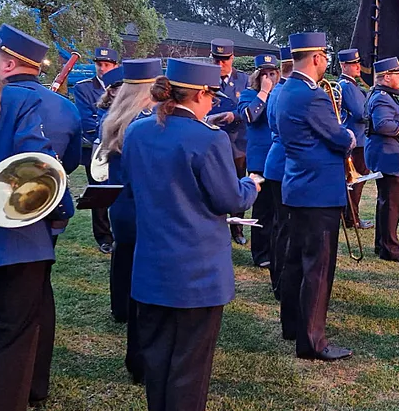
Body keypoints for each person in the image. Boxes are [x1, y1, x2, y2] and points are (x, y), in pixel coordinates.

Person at [122, 58, 259, 410]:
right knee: (189, 366)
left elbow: (134, 188)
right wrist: (251, 185)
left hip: (152, 266)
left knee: (157, 359)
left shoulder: (137, 131)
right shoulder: (207, 138)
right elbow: (229, 199)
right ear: (199, 94)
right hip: (197, 273)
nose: (215, 102)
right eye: (212, 95)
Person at [0, 26, 74, 411]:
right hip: (16, 244)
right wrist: (61, 213)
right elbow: (40, 166)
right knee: (13, 340)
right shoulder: (19, 103)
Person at [277, 32, 356, 361]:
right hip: (319, 192)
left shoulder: (286, 89)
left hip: (298, 186)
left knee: (296, 261)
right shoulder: (313, 96)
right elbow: (339, 138)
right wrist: (349, 135)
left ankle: (292, 325)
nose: (326, 61)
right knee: (318, 269)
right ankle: (312, 341)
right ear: (316, 58)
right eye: (324, 56)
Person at [99, 58, 161, 384]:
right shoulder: (147, 123)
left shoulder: (113, 119)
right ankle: (139, 358)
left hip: (120, 208)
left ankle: (119, 309)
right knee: (146, 290)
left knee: (124, 262)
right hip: (144, 211)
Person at [365, 56, 399, 263]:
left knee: (386, 201)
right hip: (389, 156)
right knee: (391, 204)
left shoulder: (382, 95)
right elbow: (383, 125)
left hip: (387, 155)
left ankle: (383, 243)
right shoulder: (381, 97)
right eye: (397, 73)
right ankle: (390, 248)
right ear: (386, 77)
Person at [73, 46, 119, 253]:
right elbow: (88, 120)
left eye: (107, 64)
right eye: (99, 64)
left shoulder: (122, 86)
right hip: (97, 146)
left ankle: (120, 230)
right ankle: (103, 236)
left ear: (115, 66)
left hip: (119, 147)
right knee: (99, 192)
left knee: (121, 190)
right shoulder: (84, 88)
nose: (102, 68)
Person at [207, 38, 251, 246]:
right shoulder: (204, 78)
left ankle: (237, 228)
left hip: (237, 142)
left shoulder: (244, 80)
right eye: (216, 59)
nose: (220, 64)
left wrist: (234, 115)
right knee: (211, 184)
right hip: (210, 140)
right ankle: (214, 227)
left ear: (232, 58)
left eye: (224, 60)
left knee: (237, 184)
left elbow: (251, 107)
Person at [238, 54, 279, 268]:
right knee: (262, 209)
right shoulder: (248, 94)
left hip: (279, 158)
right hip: (260, 160)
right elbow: (249, 116)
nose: (270, 78)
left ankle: (276, 249)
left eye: (273, 73)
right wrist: (263, 91)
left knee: (278, 208)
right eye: (265, 74)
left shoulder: (280, 94)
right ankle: (261, 253)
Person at [263, 46, 293, 301]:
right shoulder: (287, 92)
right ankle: (282, 282)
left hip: (275, 161)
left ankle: (278, 278)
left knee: (279, 225)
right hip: (284, 163)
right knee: (286, 226)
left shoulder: (277, 89)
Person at [337, 48, 373, 230]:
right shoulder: (347, 86)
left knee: (354, 181)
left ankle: (349, 215)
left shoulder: (351, 85)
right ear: (344, 66)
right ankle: (352, 218)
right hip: (356, 139)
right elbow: (360, 113)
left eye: (358, 63)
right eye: (353, 64)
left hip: (357, 138)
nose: (358, 66)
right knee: (355, 181)